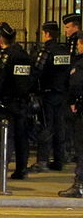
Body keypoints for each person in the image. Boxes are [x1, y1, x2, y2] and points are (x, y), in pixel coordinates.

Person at [0, 22, 33, 181]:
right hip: (23, 102)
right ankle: (21, 169)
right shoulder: (24, 55)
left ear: (2, 38)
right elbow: (32, 78)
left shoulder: (5, 55)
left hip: (7, 102)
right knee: (21, 137)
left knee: (5, 138)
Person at [30, 21, 71, 172]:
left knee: (45, 127)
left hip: (47, 94)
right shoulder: (64, 51)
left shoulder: (45, 51)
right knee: (60, 127)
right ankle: (59, 160)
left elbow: (37, 73)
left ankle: (42, 161)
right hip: (62, 94)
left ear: (46, 34)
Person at [59, 31, 83, 197]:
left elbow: (75, 85)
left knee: (81, 149)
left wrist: (73, 102)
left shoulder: (80, 64)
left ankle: (79, 185)